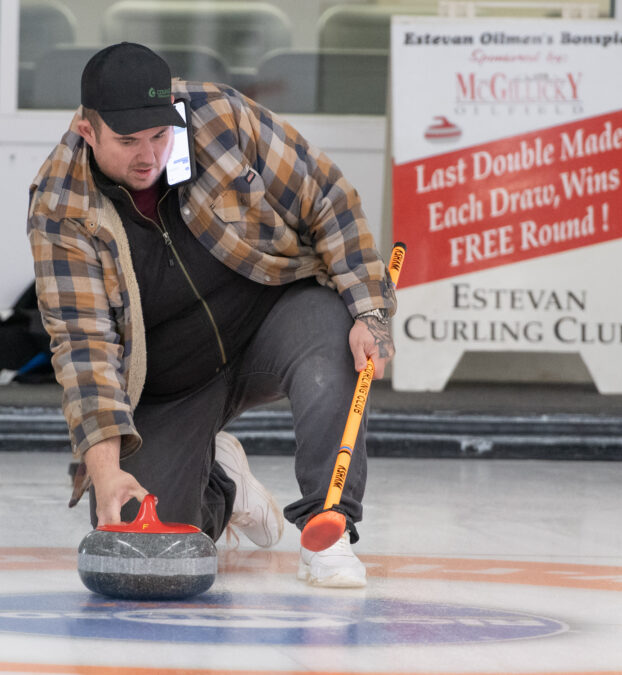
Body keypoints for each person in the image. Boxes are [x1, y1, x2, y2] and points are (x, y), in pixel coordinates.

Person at [27, 42, 396, 588]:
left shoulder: (218, 117)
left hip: (274, 318)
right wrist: (105, 473)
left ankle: (329, 528)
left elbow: (328, 198)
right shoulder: (60, 208)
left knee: (334, 339)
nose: (148, 155)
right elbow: (85, 347)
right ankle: (222, 479)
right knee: (145, 544)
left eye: (159, 135)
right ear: (88, 131)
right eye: (127, 142)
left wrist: (371, 311)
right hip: (172, 384)